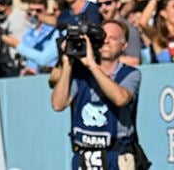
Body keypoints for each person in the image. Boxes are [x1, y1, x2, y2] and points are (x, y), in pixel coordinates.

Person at [51, 20, 143, 170]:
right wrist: (67, 63)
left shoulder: (130, 74)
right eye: (104, 36)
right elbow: (57, 104)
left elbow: (120, 99)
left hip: (116, 156)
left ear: (124, 45)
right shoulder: (80, 75)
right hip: (85, 158)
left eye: (113, 38)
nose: (106, 41)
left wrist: (92, 65)